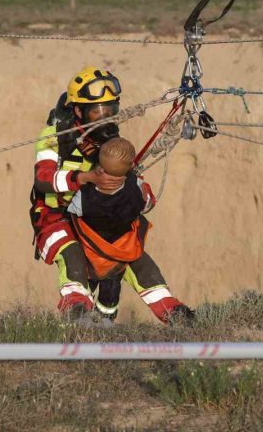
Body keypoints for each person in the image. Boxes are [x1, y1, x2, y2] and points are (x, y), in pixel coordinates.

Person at [30, 66, 189, 323]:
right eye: (97, 110)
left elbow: (135, 181)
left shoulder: (111, 141)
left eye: (110, 109)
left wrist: (139, 193)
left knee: (135, 257)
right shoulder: (53, 138)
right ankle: (78, 315)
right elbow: (43, 179)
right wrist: (85, 178)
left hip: (96, 216)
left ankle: (175, 314)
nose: (105, 117)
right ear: (79, 111)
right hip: (56, 216)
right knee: (72, 256)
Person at [66, 137, 194, 324]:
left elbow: (72, 211)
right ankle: (107, 319)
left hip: (94, 252)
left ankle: (86, 319)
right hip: (123, 248)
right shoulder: (135, 188)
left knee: (88, 282)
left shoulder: (84, 196)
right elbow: (147, 200)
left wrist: (89, 179)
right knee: (113, 287)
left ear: (100, 168)